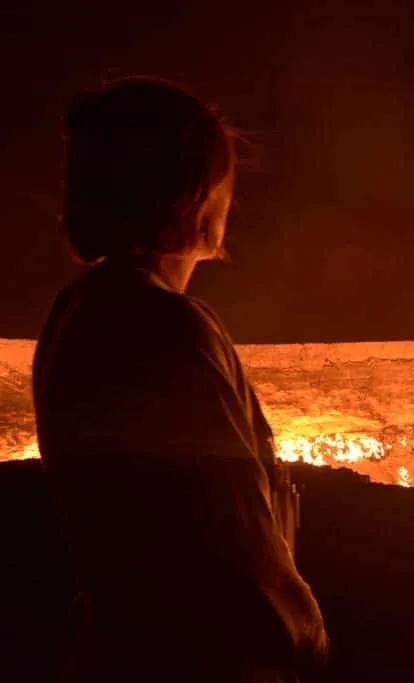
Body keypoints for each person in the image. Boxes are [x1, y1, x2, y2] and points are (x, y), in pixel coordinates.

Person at [32, 77, 328, 682]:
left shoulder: (79, 310)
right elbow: (232, 533)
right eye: (220, 177)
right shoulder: (164, 327)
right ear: (192, 194)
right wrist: (303, 638)